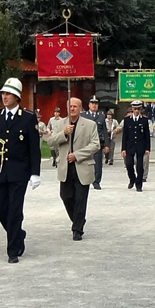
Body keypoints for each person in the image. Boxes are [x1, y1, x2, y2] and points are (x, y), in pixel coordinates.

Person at [0, 78, 41, 264]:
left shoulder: (28, 117)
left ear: (17, 96)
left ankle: (13, 250)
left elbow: (34, 148)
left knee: (15, 211)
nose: (4, 97)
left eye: (8, 94)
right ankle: (18, 234)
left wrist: (35, 173)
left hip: (19, 172)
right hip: (0, 171)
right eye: (3, 94)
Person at [48, 97, 100, 240]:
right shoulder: (60, 124)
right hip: (65, 168)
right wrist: (64, 133)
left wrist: (77, 155)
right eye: (70, 106)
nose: (72, 109)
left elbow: (95, 144)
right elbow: (51, 142)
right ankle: (78, 219)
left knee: (80, 199)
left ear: (80, 108)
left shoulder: (90, 125)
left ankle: (77, 230)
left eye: (75, 106)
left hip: (82, 166)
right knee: (66, 196)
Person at [121, 100, 150, 192]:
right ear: (132, 109)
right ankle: (132, 178)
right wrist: (123, 148)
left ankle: (139, 184)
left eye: (138, 109)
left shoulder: (144, 120)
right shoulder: (127, 120)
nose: (136, 111)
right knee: (129, 164)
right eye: (135, 109)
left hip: (140, 145)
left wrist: (147, 148)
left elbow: (147, 135)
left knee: (140, 166)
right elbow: (125, 135)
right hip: (130, 146)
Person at [80, 95, 107, 190]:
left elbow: (104, 131)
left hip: (97, 143)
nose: (94, 105)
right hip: (85, 143)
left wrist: (107, 144)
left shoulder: (101, 117)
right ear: (89, 105)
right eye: (92, 103)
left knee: (98, 163)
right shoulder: (83, 116)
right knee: (84, 162)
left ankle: (96, 181)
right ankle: (85, 180)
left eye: (96, 103)